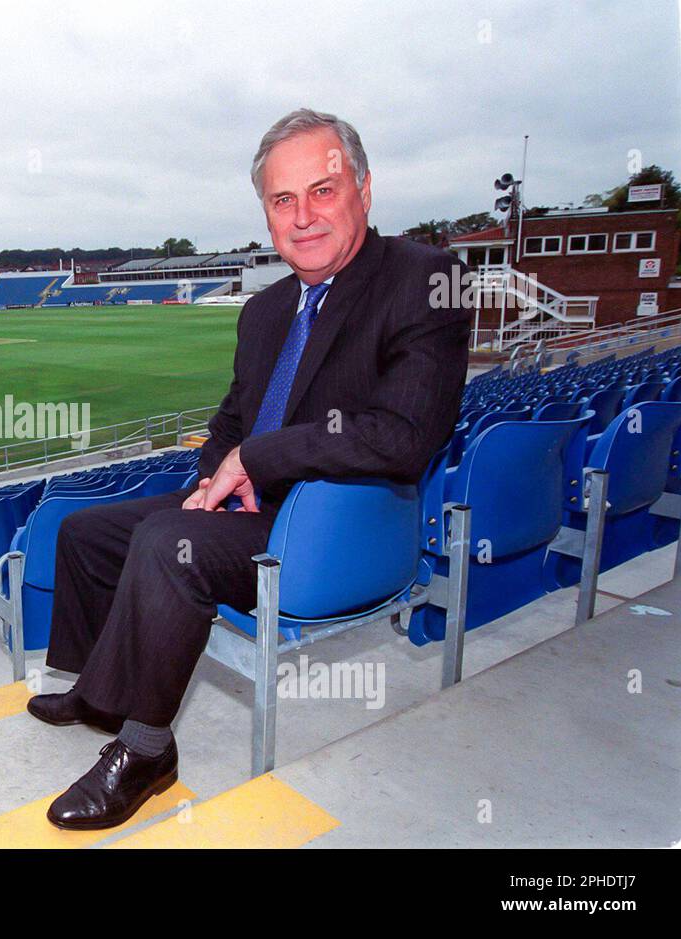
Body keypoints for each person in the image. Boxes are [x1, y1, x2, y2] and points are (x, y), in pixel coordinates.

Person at [30, 108, 471, 830]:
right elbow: (234, 421)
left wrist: (256, 460)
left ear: (363, 187)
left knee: (169, 546)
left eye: (322, 191)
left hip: (334, 526)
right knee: (87, 532)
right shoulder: (265, 310)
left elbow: (404, 437)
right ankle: (97, 692)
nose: (303, 217)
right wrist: (213, 478)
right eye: (282, 199)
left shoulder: (423, 279)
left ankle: (146, 750)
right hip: (249, 506)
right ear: (265, 211)